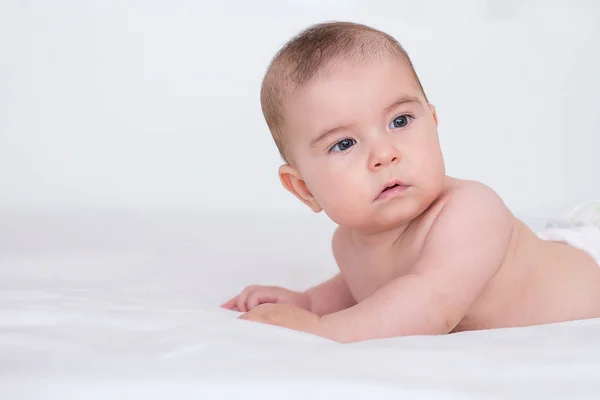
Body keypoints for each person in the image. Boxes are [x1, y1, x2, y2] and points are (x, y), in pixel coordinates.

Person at [222, 22, 600, 343]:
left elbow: (430, 305)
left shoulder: (470, 212)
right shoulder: (348, 243)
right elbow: (364, 287)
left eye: (400, 121)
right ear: (304, 189)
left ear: (433, 124)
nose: (384, 154)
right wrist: (307, 302)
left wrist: (320, 328)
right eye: (344, 143)